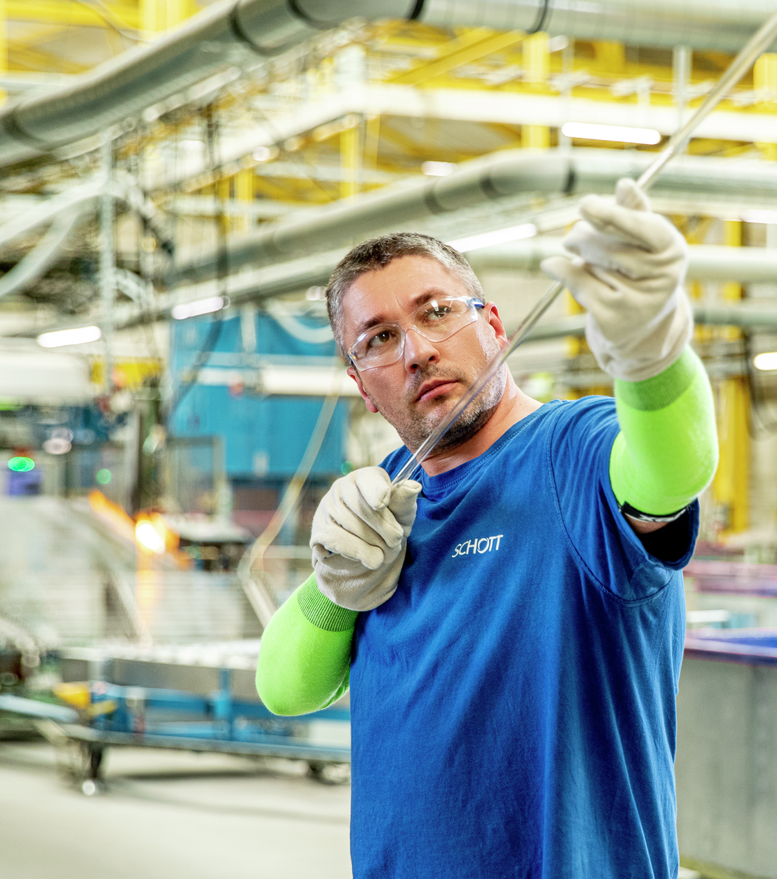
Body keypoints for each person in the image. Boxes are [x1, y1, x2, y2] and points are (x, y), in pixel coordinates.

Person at [256, 178, 718, 879]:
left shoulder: (575, 449)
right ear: (361, 383)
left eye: (436, 312)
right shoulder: (383, 506)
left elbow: (671, 473)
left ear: (494, 325)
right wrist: (333, 588)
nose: (416, 349)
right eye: (379, 338)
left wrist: (653, 356)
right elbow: (285, 690)